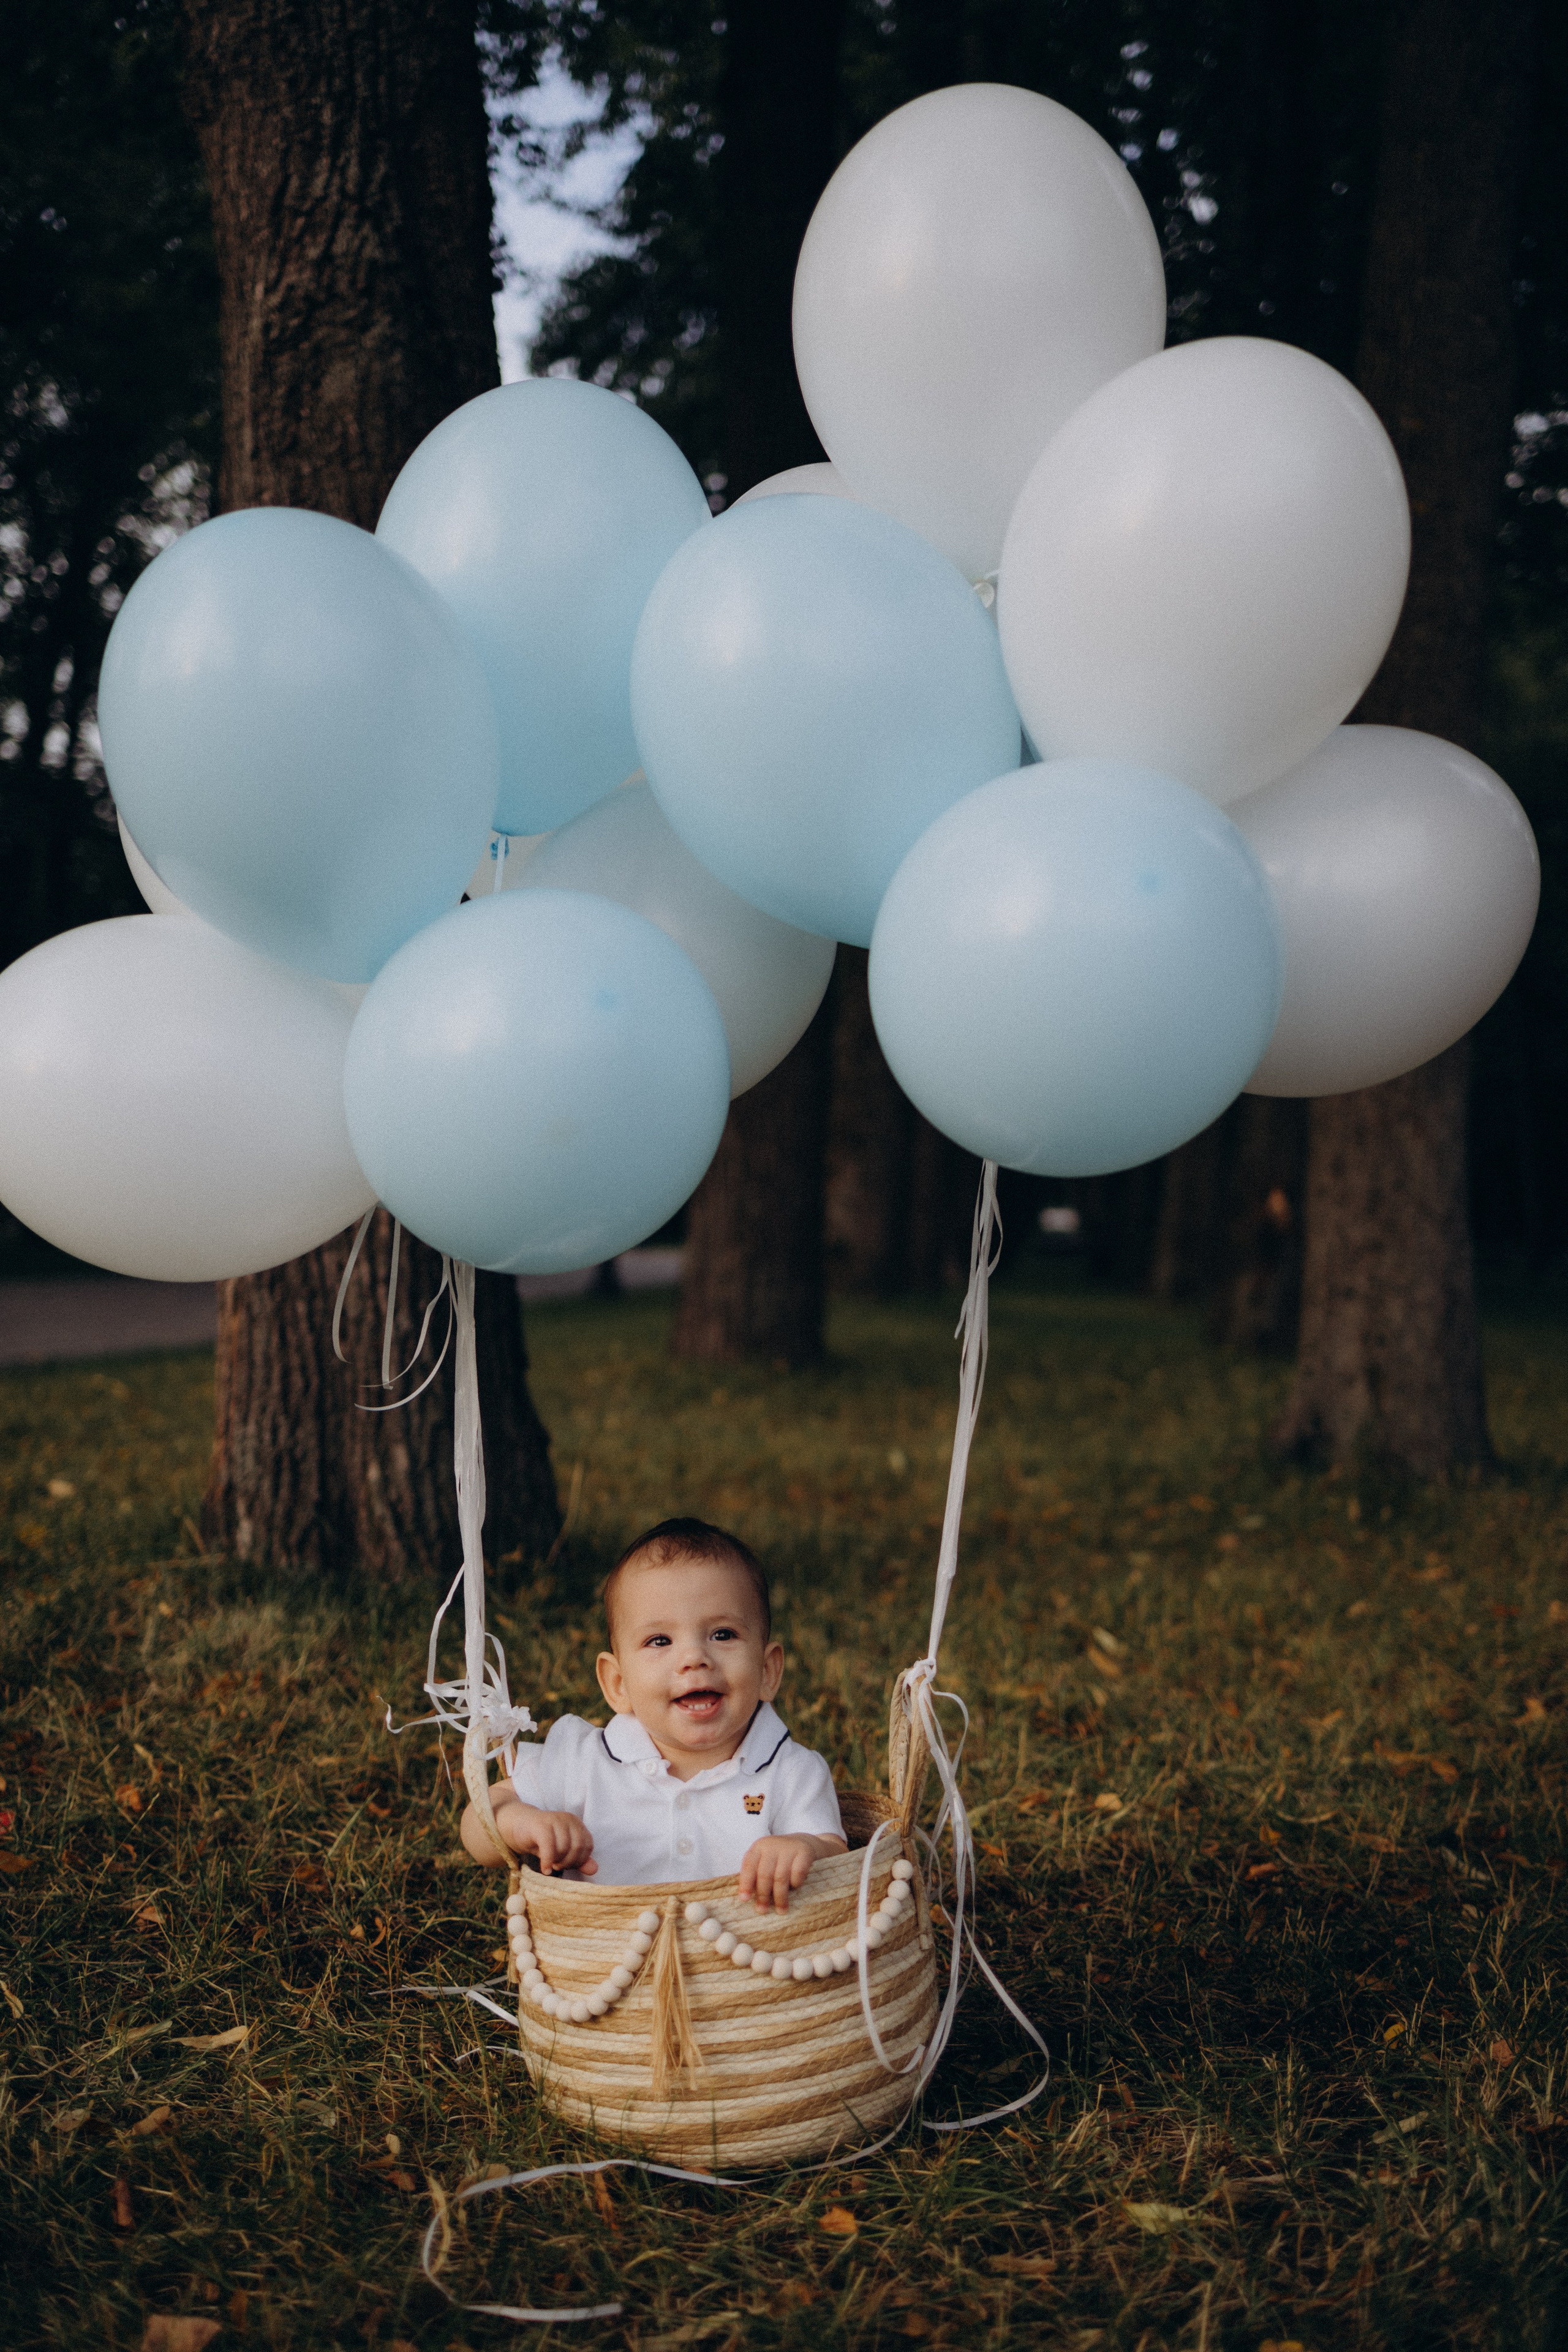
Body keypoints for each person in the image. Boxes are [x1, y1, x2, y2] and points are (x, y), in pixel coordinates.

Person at [460, 1518, 846, 1913]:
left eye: (723, 1634)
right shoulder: (585, 1762)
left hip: (747, 1964)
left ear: (767, 1671)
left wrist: (806, 1847)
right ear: (618, 1684)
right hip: (603, 1964)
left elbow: (839, 1857)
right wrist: (519, 1823)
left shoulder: (791, 1770)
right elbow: (478, 1825)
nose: (695, 1658)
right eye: (659, 1640)